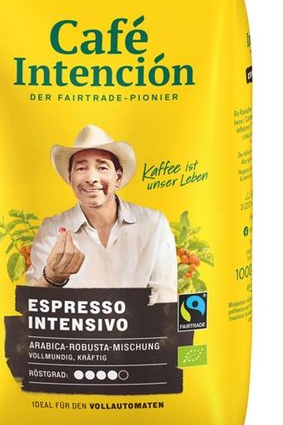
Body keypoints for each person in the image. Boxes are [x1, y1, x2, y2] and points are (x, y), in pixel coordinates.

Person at [25, 124, 178, 304]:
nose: (91, 178)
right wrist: (52, 277)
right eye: (81, 168)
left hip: (142, 323)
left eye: (102, 167)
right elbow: (30, 308)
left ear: (118, 177)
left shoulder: (154, 224)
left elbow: (165, 300)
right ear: (70, 178)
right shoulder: (52, 229)